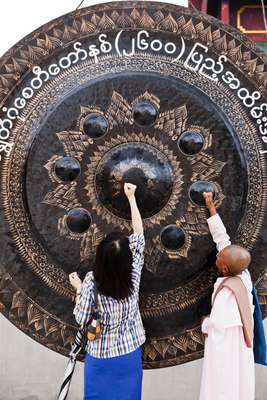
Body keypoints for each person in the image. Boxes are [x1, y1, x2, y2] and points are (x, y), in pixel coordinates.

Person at [69, 182, 145, 400]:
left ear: (100, 259)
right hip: (129, 355)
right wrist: (131, 198)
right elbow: (139, 236)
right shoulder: (134, 275)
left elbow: (81, 319)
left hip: (101, 357)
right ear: (127, 260)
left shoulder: (92, 282)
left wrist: (79, 289)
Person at [199, 192, 255, 400]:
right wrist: (210, 207)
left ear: (223, 268)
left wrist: (205, 323)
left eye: (219, 257)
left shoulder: (227, 294)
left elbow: (216, 325)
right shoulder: (243, 276)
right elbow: (223, 240)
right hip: (240, 345)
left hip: (226, 351)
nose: (218, 253)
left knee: (223, 389)